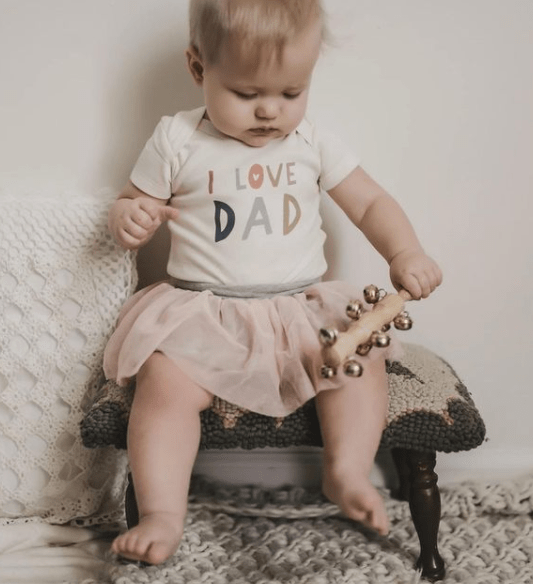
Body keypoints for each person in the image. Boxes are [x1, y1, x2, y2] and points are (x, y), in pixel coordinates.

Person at [104, 0, 442, 565]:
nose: (269, 110)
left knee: (358, 362)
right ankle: (162, 512)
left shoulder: (311, 140)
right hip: (205, 311)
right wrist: (130, 217)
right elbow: (132, 200)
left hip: (300, 308)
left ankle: (346, 471)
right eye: (246, 93)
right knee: (162, 386)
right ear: (198, 68)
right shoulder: (176, 138)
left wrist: (404, 251)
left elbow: (369, 202)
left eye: (291, 92)